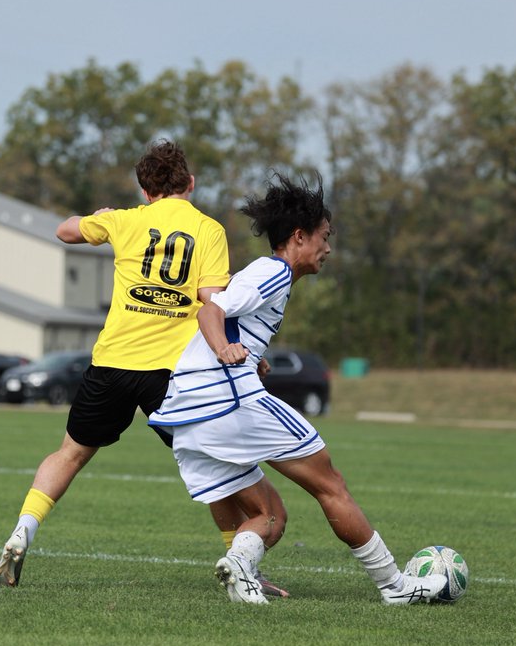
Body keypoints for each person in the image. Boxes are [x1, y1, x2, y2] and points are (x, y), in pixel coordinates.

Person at [0, 139, 286, 594]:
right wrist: (244, 349)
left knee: (70, 453)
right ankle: (239, 562)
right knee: (214, 467)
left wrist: (101, 217)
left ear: (145, 190)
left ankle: (24, 529)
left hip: (111, 361)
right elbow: (216, 304)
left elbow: (64, 231)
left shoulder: (125, 220)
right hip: (172, 374)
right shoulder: (207, 229)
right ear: (190, 182)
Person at [148, 172, 447, 605]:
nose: (328, 248)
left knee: (269, 516)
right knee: (331, 484)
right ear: (299, 236)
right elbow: (210, 309)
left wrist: (249, 351)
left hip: (189, 410)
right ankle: (395, 587)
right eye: (324, 237)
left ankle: (240, 567)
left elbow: (231, 313)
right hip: (226, 399)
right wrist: (227, 350)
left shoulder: (267, 277)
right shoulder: (273, 272)